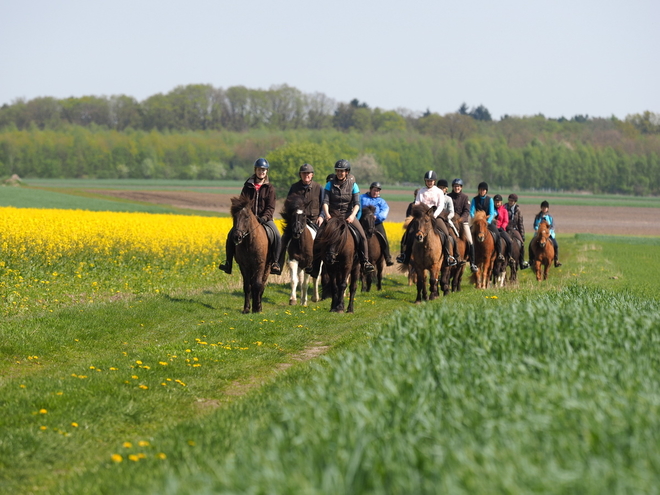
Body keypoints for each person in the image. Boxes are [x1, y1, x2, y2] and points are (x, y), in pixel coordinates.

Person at [306, 159, 375, 277]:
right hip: (332, 216)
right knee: (318, 236)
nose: (339, 173)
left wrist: (352, 216)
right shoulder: (330, 184)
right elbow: (325, 201)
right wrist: (327, 215)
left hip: (348, 216)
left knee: (362, 236)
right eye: (338, 171)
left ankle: (365, 261)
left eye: (342, 171)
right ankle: (315, 266)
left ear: (347, 172)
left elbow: (357, 204)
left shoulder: (353, 185)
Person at [219, 158, 282, 275]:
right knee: (231, 234)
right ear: (255, 170)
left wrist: (263, 217)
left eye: (263, 170)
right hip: (247, 219)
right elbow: (241, 202)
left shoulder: (270, 188)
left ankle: (275, 263)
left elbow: (271, 207)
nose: (261, 172)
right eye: (259, 169)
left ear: (266, 171)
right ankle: (228, 263)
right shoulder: (248, 185)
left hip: (265, 219)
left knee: (277, 236)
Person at [396, 171, 457, 266]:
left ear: (434, 181)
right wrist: (419, 215)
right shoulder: (421, 191)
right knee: (409, 231)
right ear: (425, 181)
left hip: (435, 215)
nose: (429, 182)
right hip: (421, 217)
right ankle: (405, 255)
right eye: (428, 181)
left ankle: (448, 256)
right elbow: (417, 203)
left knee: (445, 232)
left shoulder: (439, 191)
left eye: (431, 181)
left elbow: (440, 205)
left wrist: (434, 216)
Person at [276, 163, 324, 269]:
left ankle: (320, 268)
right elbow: (287, 205)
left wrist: (321, 216)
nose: (306, 175)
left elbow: (324, 204)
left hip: (313, 220)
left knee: (323, 242)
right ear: (300, 175)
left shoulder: (319, 188)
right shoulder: (294, 187)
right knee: (284, 239)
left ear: (312, 175)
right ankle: (277, 264)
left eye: (308, 173)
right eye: (304, 173)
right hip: (296, 221)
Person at [360, 181, 394, 266]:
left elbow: (385, 211)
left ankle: (387, 257)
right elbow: (357, 206)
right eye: (374, 190)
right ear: (370, 190)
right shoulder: (362, 198)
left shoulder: (381, 201)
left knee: (383, 237)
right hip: (363, 223)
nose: (376, 192)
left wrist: (377, 217)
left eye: (378, 191)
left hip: (376, 223)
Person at [448, 178, 479, 272]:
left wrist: (460, 220)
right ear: (453, 187)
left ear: (461, 187)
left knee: (470, 240)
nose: (457, 188)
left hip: (462, 222)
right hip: (450, 221)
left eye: (458, 186)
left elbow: (466, 211)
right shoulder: (448, 196)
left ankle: (472, 263)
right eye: (455, 186)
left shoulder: (465, 198)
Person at [469, 181, 504, 261]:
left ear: (486, 191)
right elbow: (471, 211)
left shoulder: (490, 200)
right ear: (479, 190)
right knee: (468, 235)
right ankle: (468, 254)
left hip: (487, 222)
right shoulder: (474, 199)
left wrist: (488, 221)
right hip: (477, 223)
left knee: (497, 235)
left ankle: (499, 254)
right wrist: (475, 219)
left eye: (484, 190)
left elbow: (491, 213)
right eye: (481, 190)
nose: (482, 191)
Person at [530, 200, 562, 267]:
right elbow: (535, 225)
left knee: (555, 244)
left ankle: (556, 260)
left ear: (548, 208)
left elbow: (553, 226)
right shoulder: (538, 216)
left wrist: (549, 232)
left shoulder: (550, 217)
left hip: (548, 235)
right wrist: (537, 229)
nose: (544, 209)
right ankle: (531, 260)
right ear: (541, 208)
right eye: (543, 207)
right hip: (539, 234)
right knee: (531, 244)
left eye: (545, 207)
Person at [505, 193, 529, 269]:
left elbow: (520, 223)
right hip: (505, 228)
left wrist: (522, 234)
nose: (510, 202)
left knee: (521, 243)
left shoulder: (518, 210)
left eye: (512, 201)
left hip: (514, 229)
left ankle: (521, 262)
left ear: (515, 202)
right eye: (509, 200)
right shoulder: (504, 207)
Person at [493, 194, 514, 263]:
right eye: (496, 202)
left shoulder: (504, 210)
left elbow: (506, 221)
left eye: (498, 202)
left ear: (501, 202)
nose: (497, 203)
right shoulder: (491, 210)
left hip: (501, 229)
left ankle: (509, 256)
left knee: (509, 241)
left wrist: (502, 227)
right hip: (492, 229)